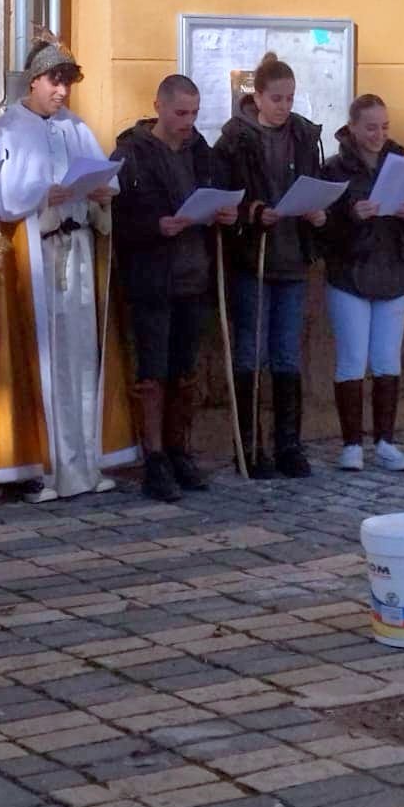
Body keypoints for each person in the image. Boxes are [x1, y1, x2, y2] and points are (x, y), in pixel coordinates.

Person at [0, 37, 132, 502]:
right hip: (36, 256)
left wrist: (103, 193)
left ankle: (83, 461)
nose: (62, 91)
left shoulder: (75, 127)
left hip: (78, 249)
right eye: (54, 81)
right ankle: (39, 467)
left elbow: (103, 176)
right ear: (33, 81)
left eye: (67, 82)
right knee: (41, 357)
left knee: (80, 354)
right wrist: (40, 196)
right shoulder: (5, 132)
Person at [110, 74, 237, 502]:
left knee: (184, 370)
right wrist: (154, 226)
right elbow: (117, 219)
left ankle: (180, 451)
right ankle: (155, 459)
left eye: (194, 113)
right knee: (153, 371)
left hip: (194, 275)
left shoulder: (201, 151)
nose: (188, 121)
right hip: (152, 278)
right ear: (159, 107)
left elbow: (217, 192)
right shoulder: (131, 153)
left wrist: (224, 214)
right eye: (181, 113)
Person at [214, 52, 326, 480]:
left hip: (293, 256)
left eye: (290, 98)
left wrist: (318, 211)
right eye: (276, 98)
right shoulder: (235, 140)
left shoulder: (304, 135)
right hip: (254, 257)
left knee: (287, 352)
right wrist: (253, 212)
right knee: (251, 350)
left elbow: (316, 181)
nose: (284, 106)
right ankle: (249, 446)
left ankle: (288, 445)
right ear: (257, 97)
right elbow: (224, 194)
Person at [319, 94, 404, 473]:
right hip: (349, 273)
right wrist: (351, 215)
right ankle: (351, 444)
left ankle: (386, 441)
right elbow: (322, 232)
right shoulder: (334, 169)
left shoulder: (400, 163)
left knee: (387, 359)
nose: (378, 135)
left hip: (392, 270)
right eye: (370, 128)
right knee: (352, 359)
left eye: (384, 127)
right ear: (352, 127)